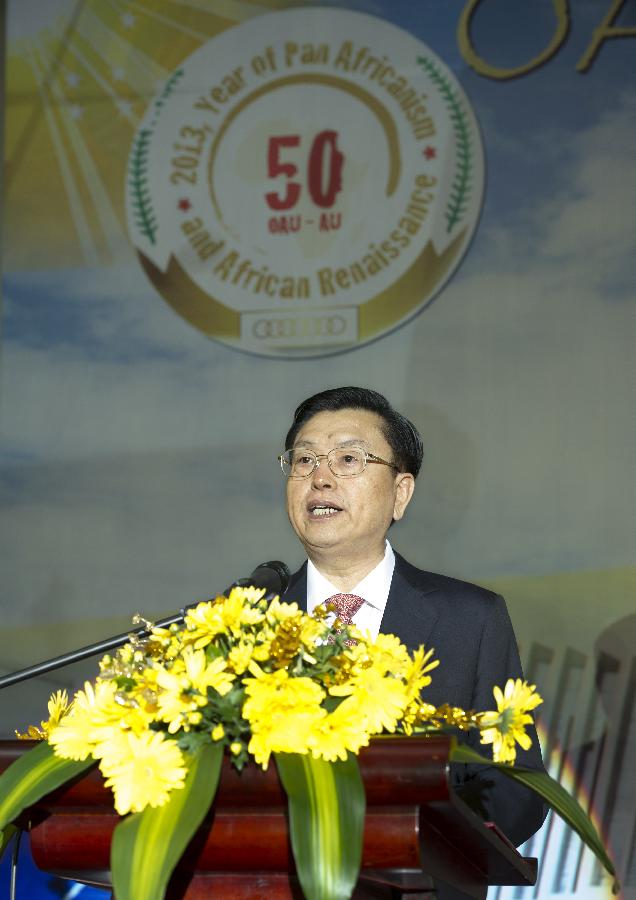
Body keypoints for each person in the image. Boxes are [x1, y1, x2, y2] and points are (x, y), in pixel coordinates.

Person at [279, 386, 547, 900]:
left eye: (349, 459)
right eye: (304, 458)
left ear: (400, 493)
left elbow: (518, 788)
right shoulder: (243, 623)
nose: (319, 476)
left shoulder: (471, 620)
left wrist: (421, 842)